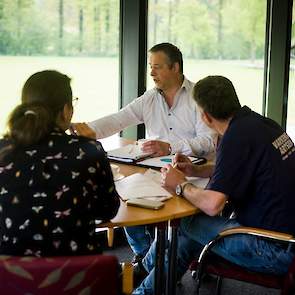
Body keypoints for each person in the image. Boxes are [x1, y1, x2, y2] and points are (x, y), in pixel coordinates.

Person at [133, 75, 295, 295]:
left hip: (273, 249)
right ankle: (144, 283)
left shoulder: (235, 137)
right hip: (284, 239)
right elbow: (240, 168)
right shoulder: (262, 124)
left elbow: (213, 205)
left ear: (206, 116)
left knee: (185, 222)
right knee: (186, 241)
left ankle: (142, 273)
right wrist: (196, 170)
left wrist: (180, 184)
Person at [72, 42, 216, 263]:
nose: (151, 72)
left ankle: (154, 265)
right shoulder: (149, 98)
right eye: (150, 66)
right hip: (155, 172)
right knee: (126, 198)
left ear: (175, 68)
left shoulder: (198, 96)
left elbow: (208, 141)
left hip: (192, 174)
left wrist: (170, 147)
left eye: (157, 67)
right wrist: (89, 130)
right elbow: (119, 119)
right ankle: (150, 260)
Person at [0, 70, 120, 256]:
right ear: (65, 111)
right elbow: (107, 211)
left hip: (9, 279)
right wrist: (89, 145)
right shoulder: (87, 151)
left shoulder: (3, 152)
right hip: (78, 279)